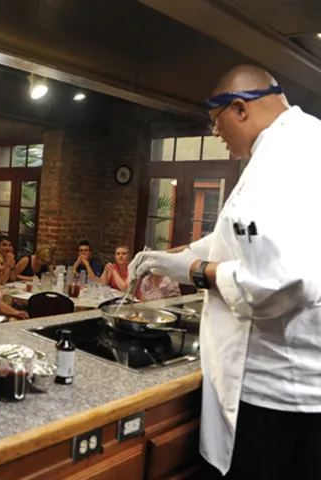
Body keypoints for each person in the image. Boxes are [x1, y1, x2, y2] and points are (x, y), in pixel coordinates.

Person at [127, 65, 321, 479]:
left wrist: (197, 271)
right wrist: (169, 256)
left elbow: (283, 282)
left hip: (276, 392)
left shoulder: (282, 161)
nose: (217, 136)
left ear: (239, 108)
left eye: (216, 125)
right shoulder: (302, 140)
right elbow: (243, 242)